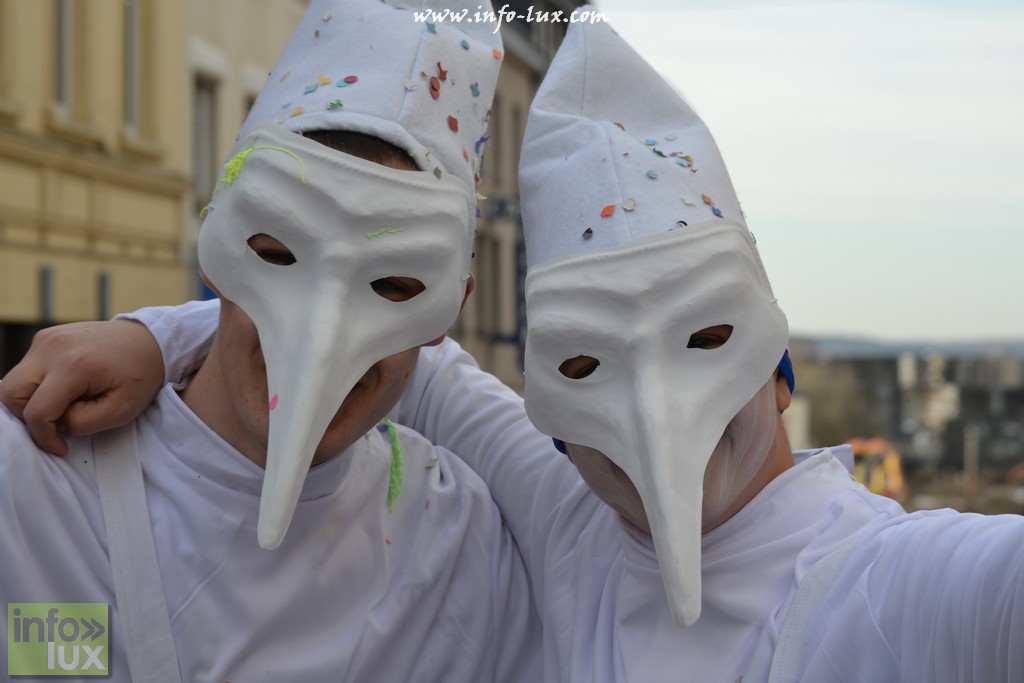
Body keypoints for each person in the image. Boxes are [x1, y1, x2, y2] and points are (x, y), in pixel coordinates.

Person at [6, 10, 1024, 683]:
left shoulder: (908, 585)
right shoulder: (563, 523)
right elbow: (398, 368)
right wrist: (161, 337)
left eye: (705, 336)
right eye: (586, 365)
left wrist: (166, 329)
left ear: (779, 365)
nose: (653, 418)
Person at [0, 1, 541, 681]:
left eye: (394, 285)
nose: (322, 341)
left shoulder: (463, 548)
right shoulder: (37, 490)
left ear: (450, 309)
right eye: (278, 253)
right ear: (217, 246)